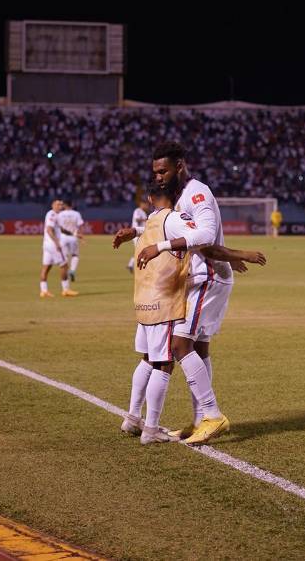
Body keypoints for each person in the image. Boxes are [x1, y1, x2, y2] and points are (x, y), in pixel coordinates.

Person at [122, 185, 267, 445]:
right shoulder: (170, 216)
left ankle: (200, 416)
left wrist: (233, 255)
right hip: (170, 291)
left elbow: (204, 239)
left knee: (169, 351)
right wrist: (236, 254)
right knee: (175, 353)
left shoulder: (166, 213)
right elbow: (195, 237)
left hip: (168, 290)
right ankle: (194, 419)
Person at [118, 142, 232, 445]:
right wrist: (140, 233)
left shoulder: (197, 192)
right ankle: (200, 420)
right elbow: (172, 227)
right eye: (155, 172)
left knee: (179, 345)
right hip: (193, 278)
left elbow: (205, 235)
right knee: (198, 347)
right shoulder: (178, 197)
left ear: (179, 166)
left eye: (163, 171)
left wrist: (161, 246)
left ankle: (212, 414)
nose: (157, 177)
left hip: (206, 277)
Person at [39, 199, 76, 297]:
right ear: (52, 205)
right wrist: (57, 243)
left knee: (46, 267)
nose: (60, 206)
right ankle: (66, 289)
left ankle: (44, 291)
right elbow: (49, 230)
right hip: (53, 245)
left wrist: (74, 233)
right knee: (64, 265)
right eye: (58, 204)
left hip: (47, 245)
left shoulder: (55, 215)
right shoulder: (52, 215)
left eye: (61, 204)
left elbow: (61, 229)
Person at [58, 199, 85, 282]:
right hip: (73, 237)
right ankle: (72, 270)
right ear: (71, 205)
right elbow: (80, 225)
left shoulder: (60, 214)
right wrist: (81, 236)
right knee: (75, 255)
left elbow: (58, 226)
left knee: (65, 256)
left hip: (63, 237)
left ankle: (65, 273)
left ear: (65, 205)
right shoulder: (76, 214)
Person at [127, 197, 152, 273]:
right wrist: (146, 220)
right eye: (146, 204)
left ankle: (132, 264)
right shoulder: (138, 210)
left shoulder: (143, 212)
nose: (147, 206)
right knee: (140, 250)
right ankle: (133, 265)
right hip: (136, 234)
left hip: (141, 234)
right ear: (142, 204)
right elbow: (137, 219)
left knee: (140, 250)